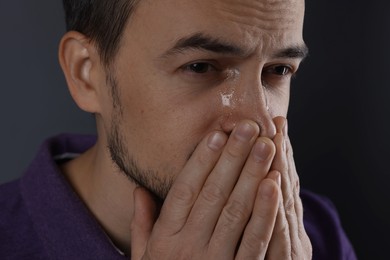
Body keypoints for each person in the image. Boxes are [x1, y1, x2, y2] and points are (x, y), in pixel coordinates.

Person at [0, 0, 357, 259]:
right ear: (86, 73)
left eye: (278, 70)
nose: (257, 122)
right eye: (201, 67)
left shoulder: (315, 233)